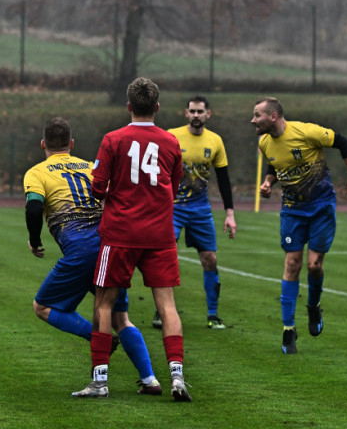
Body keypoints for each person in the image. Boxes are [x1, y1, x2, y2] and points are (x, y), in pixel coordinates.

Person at [73, 77, 191, 402]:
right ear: (156, 106)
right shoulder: (170, 142)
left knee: (104, 303)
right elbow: (174, 184)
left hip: (121, 233)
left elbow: (97, 188)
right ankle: (177, 377)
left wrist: (116, 194)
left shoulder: (113, 139)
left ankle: (100, 381)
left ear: (128, 106)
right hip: (160, 234)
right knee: (166, 305)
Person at [24, 117, 162, 394]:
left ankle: (100, 340)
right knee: (120, 317)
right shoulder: (90, 166)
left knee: (42, 306)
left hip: (82, 250)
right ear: (71, 144)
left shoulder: (36, 172)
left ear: (43, 144)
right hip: (111, 244)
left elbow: (34, 207)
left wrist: (35, 239)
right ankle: (150, 380)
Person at [252, 97, 347, 354]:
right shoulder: (265, 143)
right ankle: (288, 330)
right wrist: (269, 182)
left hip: (321, 207)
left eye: (257, 115)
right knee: (292, 263)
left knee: (314, 266)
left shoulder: (306, 131)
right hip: (292, 209)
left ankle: (313, 306)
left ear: (274, 116)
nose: (252, 120)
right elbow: (275, 164)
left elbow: (343, 142)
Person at [154, 95, 235, 331]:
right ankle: (161, 312)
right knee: (164, 258)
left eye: (201, 111)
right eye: (192, 111)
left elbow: (223, 179)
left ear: (208, 114)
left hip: (200, 209)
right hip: (173, 208)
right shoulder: (171, 136)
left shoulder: (216, 141)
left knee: (210, 259)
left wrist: (229, 213)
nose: (196, 115)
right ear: (186, 113)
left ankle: (213, 315)